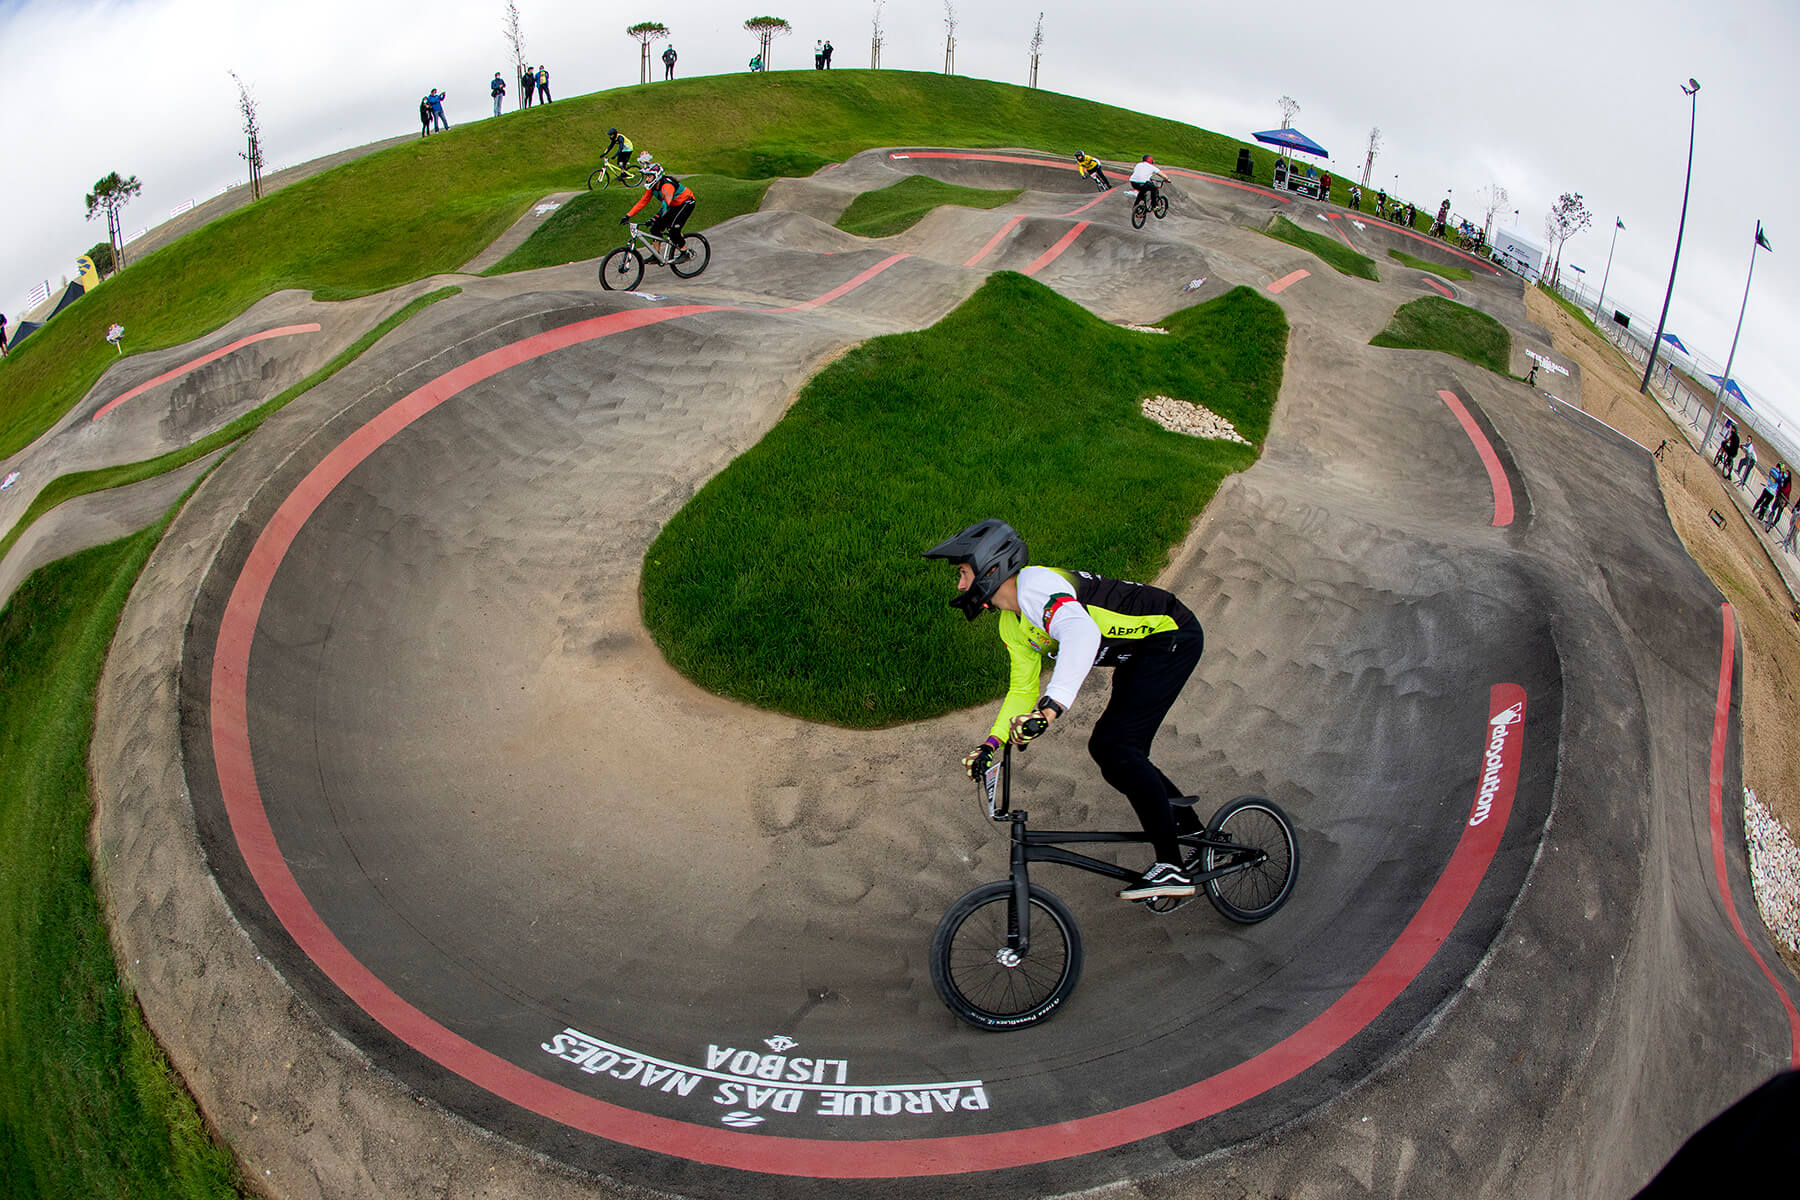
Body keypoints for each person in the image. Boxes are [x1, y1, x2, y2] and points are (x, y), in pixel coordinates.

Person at [923, 520, 1208, 901]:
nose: (960, 585)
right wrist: (992, 743)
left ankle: (1171, 866)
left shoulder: (1037, 587)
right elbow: (1022, 689)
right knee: (1113, 750)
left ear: (990, 567)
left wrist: (1051, 709)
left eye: (963, 573)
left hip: (1170, 635)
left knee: (1118, 747)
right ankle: (1191, 833)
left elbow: (1082, 633)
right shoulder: (1012, 624)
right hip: (1138, 653)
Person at [623, 160, 697, 256]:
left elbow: (665, 205)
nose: (647, 178)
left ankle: (685, 252)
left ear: (657, 176)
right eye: (647, 176)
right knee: (655, 229)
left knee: (673, 230)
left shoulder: (667, 186)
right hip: (673, 205)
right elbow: (642, 202)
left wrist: (654, 218)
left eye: (649, 176)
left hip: (686, 203)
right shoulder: (652, 187)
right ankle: (656, 255)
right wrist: (628, 215)